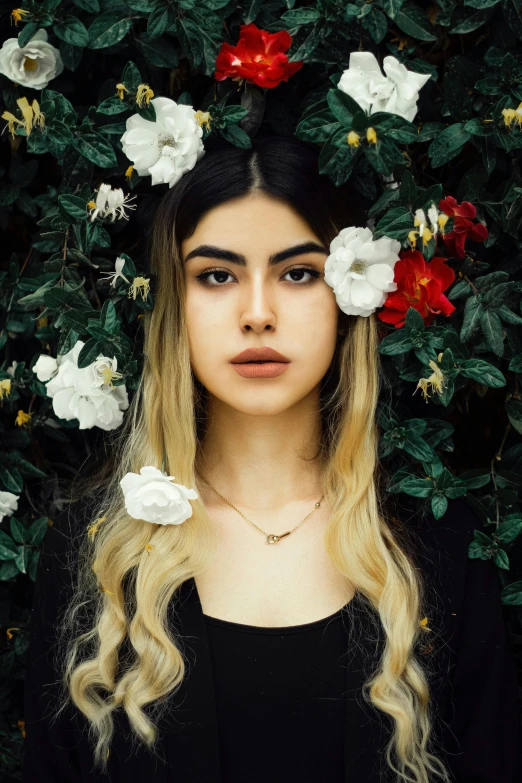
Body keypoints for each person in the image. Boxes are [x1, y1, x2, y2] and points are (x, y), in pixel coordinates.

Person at [23, 135, 521, 783]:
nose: (257, 313)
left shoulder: (439, 545)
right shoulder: (94, 551)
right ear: (175, 304)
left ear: (349, 299)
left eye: (298, 272)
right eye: (217, 275)